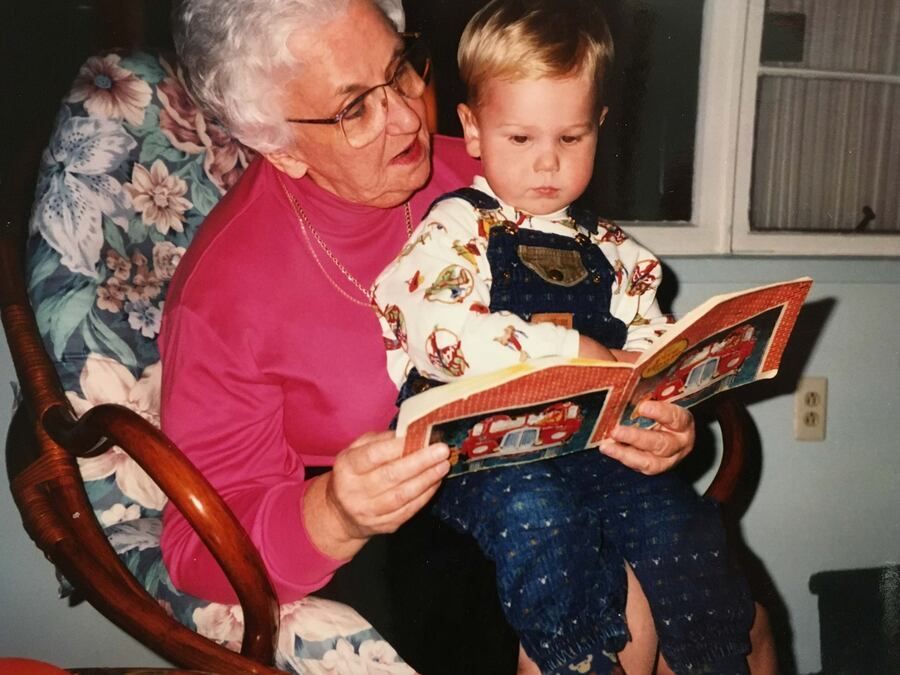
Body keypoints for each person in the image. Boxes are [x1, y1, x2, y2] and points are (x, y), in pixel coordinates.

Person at [160, 0, 716, 672]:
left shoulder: (499, 171)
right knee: (613, 608)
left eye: (400, 70)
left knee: (726, 619)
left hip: (560, 468)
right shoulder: (223, 293)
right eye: (354, 109)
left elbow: (614, 314)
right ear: (280, 145)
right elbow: (195, 550)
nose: (405, 114)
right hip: (405, 539)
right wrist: (334, 512)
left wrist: (663, 415)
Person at [372, 1, 755, 673]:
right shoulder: (459, 227)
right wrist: (572, 350)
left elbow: (653, 351)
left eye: (571, 138)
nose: (547, 163)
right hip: (476, 454)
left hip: (593, 446)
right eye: (521, 139)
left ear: (599, 129)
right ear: (474, 128)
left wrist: (672, 412)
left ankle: (711, 656)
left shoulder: (618, 254)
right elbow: (438, 334)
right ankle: (578, 659)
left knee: (683, 521)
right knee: (539, 516)